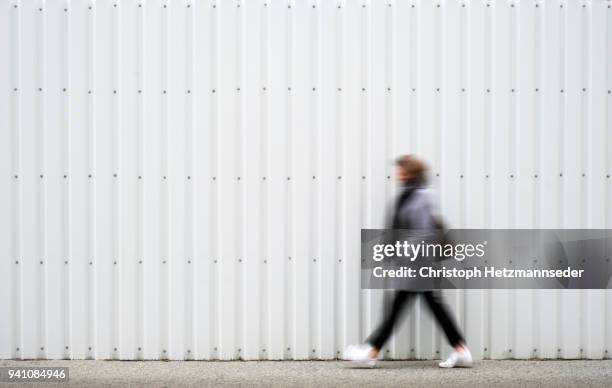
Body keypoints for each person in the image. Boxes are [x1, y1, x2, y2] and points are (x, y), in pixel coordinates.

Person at [344, 155, 473, 368]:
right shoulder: (410, 195)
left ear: (411, 173)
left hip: (418, 262)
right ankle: (460, 349)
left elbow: (425, 232)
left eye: (401, 171)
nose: (397, 174)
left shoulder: (421, 196)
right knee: (427, 306)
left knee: (399, 307)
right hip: (416, 262)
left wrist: (401, 251)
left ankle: (371, 351)